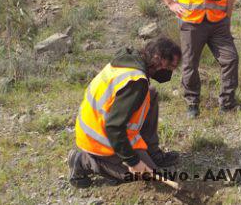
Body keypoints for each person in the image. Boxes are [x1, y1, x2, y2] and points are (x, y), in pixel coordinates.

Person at [68, 37, 182, 188]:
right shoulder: (136, 82)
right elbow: (114, 127)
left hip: (105, 125)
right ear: (157, 58)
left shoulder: (129, 59)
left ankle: (152, 151)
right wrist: (133, 161)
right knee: (146, 176)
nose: (169, 72)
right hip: (99, 139)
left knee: (151, 94)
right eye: (169, 67)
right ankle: (84, 160)